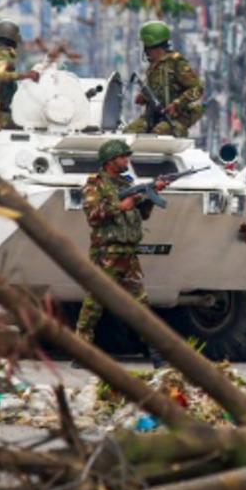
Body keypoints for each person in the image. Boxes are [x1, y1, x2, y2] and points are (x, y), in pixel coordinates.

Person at [75, 139, 171, 361]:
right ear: (110, 160)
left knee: (141, 305)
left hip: (128, 254)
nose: (127, 160)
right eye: (122, 157)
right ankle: (80, 350)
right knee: (94, 304)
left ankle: (155, 352)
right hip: (106, 254)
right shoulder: (95, 185)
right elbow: (93, 216)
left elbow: (142, 214)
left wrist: (150, 194)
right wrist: (120, 206)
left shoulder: (125, 183)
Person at [125, 20, 205, 136]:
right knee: (128, 133)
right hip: (153, 115)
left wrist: (177, 104)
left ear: (154, 47)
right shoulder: (154, 66)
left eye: (147, 48)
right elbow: (158, 91)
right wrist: (144, 97)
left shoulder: (176, 63)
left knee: (158, 134)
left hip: (175, 118)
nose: (146, 52)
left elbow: (197, 88)